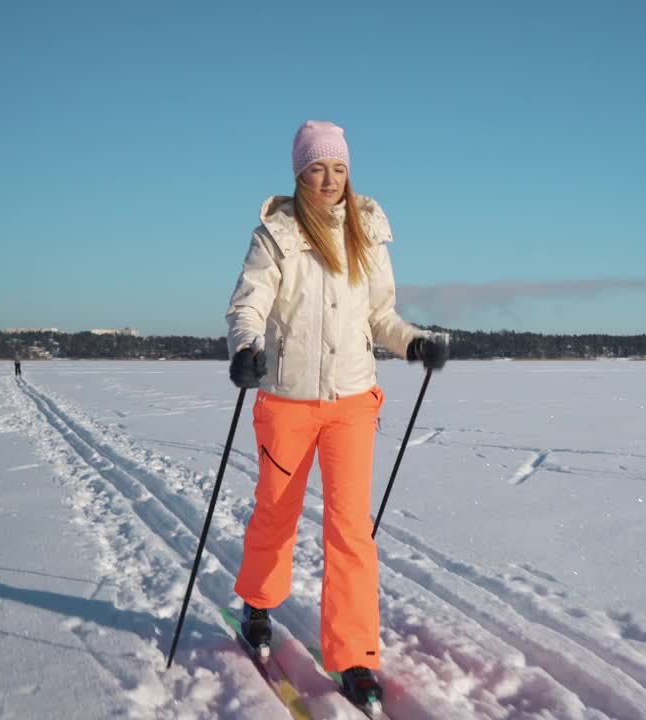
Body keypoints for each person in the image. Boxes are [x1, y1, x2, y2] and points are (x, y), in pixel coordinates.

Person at [225, 120, 448, 706]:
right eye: (319, 168)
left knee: (352, 532)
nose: (330, 180)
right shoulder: (275, 235)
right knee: (276, 513)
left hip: (352, 401)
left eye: (339, 169)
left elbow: (381, 317)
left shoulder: (366, 235)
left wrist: (414, 343)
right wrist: (246, 349)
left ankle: (353, 656)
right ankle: (257, 602)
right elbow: (248, 306)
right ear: (300, 172)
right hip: (287, 402)